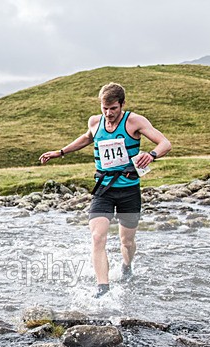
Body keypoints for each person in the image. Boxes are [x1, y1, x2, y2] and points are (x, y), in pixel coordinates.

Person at [39, 82, 171, 297]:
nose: (108, 114)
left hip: (129, 191)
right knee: (97, 237)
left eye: (113, 109)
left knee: (126, 242)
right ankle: (103, 288)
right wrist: (60, 152)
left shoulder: (134, 121)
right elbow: (86, 138)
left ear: (122, 105)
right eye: (104, 108)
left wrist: (152, 154)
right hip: (104, 190)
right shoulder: (95, 121)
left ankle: (127, 267)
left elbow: (165, 143)